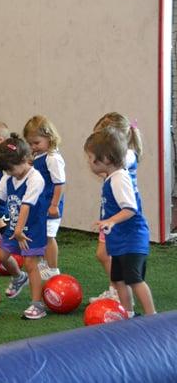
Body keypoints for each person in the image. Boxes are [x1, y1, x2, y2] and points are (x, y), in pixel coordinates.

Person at [0, 134, 48, 320]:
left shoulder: (35, 179)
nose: (10, 173)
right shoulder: (8, 178)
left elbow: (26, 206)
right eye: (6, 170)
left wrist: (19, 230)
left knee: (31, 264)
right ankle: (18, 276)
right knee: (1, 255)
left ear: (25, 159)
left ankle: (37, 305)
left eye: (11, 169)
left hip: (32, 229)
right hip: (15, 226)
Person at [84, 127, 155, 317]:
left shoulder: (119, 179)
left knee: (134, 278)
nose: (89, 163)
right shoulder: (112, 176)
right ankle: (128, 313)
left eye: (90, 158)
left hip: (132, 239)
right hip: (120, 240)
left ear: (105, 159)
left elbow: (130, 208)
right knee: (118, 279)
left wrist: (111, 221)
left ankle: (152, 316)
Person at [89, 112, 143, 303]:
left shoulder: (126, 156)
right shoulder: (124, 156)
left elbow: (120, 164)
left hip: (121, 215)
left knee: (105, 254)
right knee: (105, 254)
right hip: (113, 211)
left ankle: (118, 291)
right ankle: (117, 289)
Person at [23, 115, 65, 280]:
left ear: (49, 137)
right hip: (40, 204)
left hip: (49, 204)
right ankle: (43, 263)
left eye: (37, 143)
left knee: (48, 236)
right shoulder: (40, 156)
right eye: (30, 143)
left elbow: (59, 183)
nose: (33, 147)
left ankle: (53, 268)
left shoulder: (53, 158)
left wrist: (54, 205)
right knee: (40, 234)